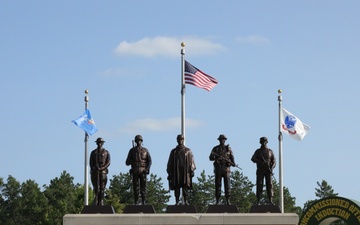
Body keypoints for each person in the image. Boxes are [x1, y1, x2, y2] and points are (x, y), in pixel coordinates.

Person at [167, 134, 196, 205]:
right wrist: (169, 172)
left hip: (185, 172)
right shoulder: (173, 151)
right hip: (176, 172)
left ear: (183, 140)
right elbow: (170, 163)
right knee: (177, 186)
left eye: (182, 139)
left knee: (185, 186)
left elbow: (192, 161)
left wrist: (192, 170)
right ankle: (177, 201)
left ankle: (186, 201)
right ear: (177, 140)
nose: (181, 141)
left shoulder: (188, 151)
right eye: (179, 139)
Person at [126, 135, 152, 205]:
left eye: (140, 141)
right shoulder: (132, 151)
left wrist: (147, 169)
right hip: (135, 170)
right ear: (135, 141)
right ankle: (136, 201)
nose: (138, 142)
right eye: (137, 141)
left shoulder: (145, 150)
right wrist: (132, 161)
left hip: (143, 170)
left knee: (143, 187)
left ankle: (143, 201)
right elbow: (127, 162)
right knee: (135, 187)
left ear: (141, 141)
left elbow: (149, 161)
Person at [209, 134, 235, 205]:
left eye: (223, 139)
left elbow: (232, 159)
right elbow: (210, 157)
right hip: (218, 169)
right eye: (221, 139)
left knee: (227, 185)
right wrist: (217, 158)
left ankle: (228, 200)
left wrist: (232, 163)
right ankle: (217, 200)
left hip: (226, 169)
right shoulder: (215, 148)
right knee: (218, 185)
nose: (222, 140)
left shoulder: (228, 149)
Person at [251, 137, 276, 205]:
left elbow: (274, 161)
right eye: (262, 141)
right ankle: (258, 200)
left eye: (265, 141)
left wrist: (271, 168)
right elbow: (253, 158)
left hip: (268, 171)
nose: (263, 143)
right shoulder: (258, 151)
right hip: (260, 170)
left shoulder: (270, 151)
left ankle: (270, 200)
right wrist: (260, 162)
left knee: (269, 185)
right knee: (259, 185)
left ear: (267, 142)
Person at [90, 137, 111, 206]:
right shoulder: (93, 152)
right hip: (95, 172)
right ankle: (96, 199)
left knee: (102, 187)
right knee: (96, 187)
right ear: (96, 143)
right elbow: (91, 163)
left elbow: (108, 162)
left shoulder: (106, 152)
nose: (99, 144)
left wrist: (102, 168)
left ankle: (101, 200)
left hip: (103, 172)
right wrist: (94, 168)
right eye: (98, 142)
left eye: (101, 142)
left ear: (102, 143)